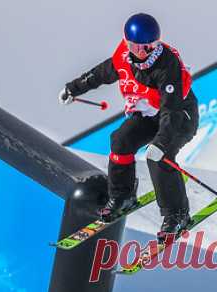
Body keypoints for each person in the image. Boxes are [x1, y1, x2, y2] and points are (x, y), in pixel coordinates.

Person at [58, 13, 199, 241]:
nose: (142, 53)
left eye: (148, 46)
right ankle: (123, 195)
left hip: (179, 117)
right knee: (120, 140)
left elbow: (171, 111)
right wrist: (73, 88)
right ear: (127, 43)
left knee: (158, 157)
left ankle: (177, 214)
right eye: (135, 46)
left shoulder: (166, 65)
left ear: (157, 43)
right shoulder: (124, 58)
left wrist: (161, 143)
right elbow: (101, 73)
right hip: (150, 114)